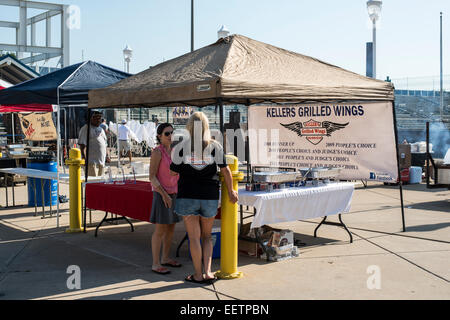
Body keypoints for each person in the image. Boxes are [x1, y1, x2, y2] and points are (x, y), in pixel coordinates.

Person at [170, 112, 238, 284]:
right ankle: (208, 272)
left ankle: (197, 274)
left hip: (187, 195)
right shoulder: (215, 146)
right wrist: (231, 191)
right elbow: (225, 170)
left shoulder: (181, 146)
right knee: (207, 236)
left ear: (189, 127)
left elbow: (172, 171)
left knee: (194, 237)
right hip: (209, 195)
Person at [149, 123, 182, 275]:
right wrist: (164, 195)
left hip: (174, 193)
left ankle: (165, 258)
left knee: (171, 227)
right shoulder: (157, 152)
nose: (170, 136)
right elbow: (152, 177)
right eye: (167, 134)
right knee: (160, 229)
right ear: (159, 136)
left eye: (171, 133)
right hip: (162, 194)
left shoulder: (175, 151)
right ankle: (156, 264)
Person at [79, 111, 107, 177]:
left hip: (101, 162)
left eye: (100, 118)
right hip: (91, 163)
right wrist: (84, 158)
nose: (99, 120)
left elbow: (105, 144)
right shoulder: (86, 128)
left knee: (101, 183)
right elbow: (82, 145)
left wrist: (107, 156)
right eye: (96, 118)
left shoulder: (101, 129)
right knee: (92, 182)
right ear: (91, 118)